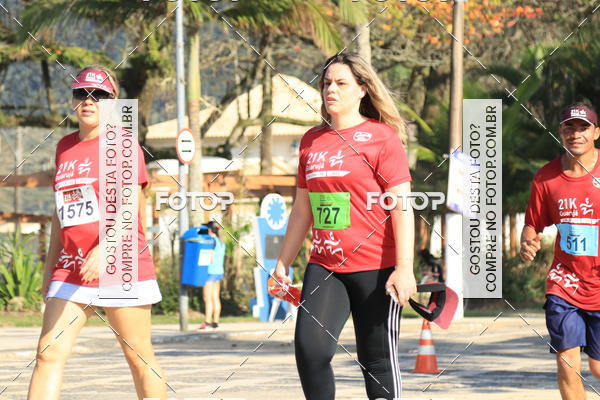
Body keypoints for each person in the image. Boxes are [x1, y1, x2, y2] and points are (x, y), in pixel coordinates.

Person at [273, 53, 416, 400]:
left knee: (376, 360)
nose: (330, 90)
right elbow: (302, 209)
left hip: (377, 268)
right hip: (325, 265)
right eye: (326, 83)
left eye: (340, 83)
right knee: (310, 351)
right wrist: (282, 262)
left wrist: (405, 268)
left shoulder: (381, 138)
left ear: (362, 89)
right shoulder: (311, 141)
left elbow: (401, 206)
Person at [27, 65, 167, 400]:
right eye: (82, 93)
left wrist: (106, 248)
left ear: (113, 102)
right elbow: (61, 212)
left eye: (99, 95)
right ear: (73, 100)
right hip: (71, 266)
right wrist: (49, 270)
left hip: (120, 263)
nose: (89, 100)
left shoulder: (122, 143)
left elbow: (130, 205)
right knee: (48, 352)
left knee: (138, 357)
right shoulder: (64, 147)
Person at [520, 102, 600, 400]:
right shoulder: (546, 177)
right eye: (569, 128)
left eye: (583, 128)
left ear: (596, 133)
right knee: (567, 363)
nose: (575, 134)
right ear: (560, 132)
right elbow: (533, 224)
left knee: (598, 368)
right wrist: (527, 242)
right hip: (565, 282)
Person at [198, 221, 225, 329]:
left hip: (210, 272)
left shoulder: (211, 241)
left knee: (207, 298)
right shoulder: (220, 241)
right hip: (219, 272)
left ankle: (207, 322)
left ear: (209, 230)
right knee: (215, 297)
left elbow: (211, 258)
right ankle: (215, 322)